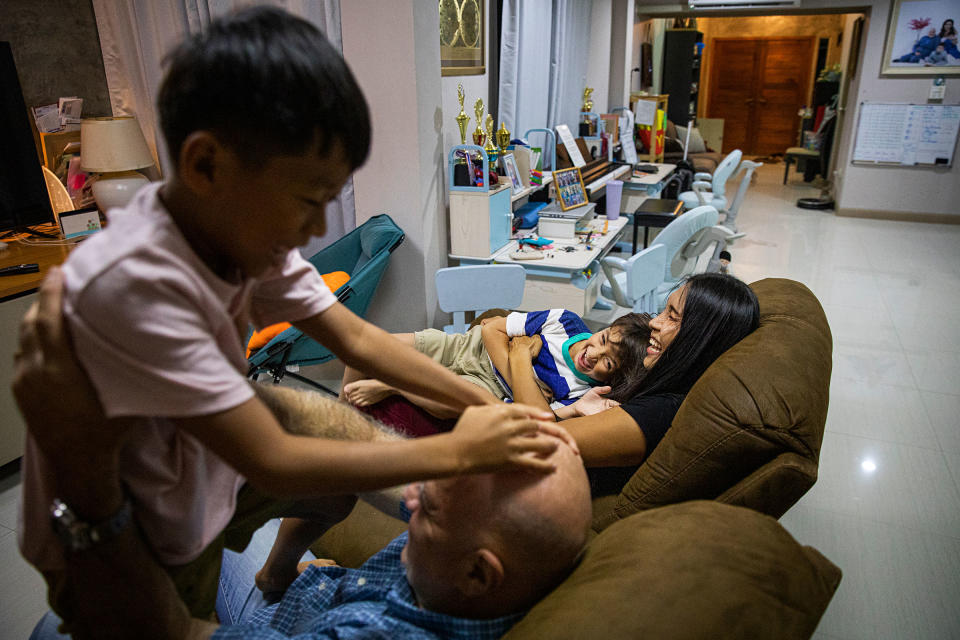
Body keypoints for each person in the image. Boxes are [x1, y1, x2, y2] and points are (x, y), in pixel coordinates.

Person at [19, 7, 571, 625]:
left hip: (193, 467)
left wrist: (486, 409)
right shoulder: (138, 289)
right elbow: (271, 459)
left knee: (335, 453)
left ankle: (274, 570)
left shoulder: (236, 232)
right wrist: (457, 454)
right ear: (206, 166)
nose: (315, 229)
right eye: (308, 201)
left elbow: (356, 337)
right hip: (135, 524)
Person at [13, 285, 592, 639]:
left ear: (478, 575)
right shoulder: (463, 554)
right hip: (318, 592)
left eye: (429, 508)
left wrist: (86, 482)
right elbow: (355, 343)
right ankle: (273, 573)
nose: (410, 500)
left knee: (53, 628)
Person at [506, 273, 760, 494]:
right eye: (664, 310)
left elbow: (536, 439)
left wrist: (519, 357)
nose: (654, 322)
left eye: (672, 317)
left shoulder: (659, 412)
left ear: (699, 339)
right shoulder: (656, 381)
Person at [342, 310, 651, 417]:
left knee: (460, 399)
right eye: (603, 338)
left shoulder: (583, 390)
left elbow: (541, 415)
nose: (594, 354)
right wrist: (521, 374)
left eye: (607, 364)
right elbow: (491, 329)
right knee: (368, 343)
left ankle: (395, 386)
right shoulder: (564, 321)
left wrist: (521, 353)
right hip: (469, 345)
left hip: (490, 387)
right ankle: (341, 409)